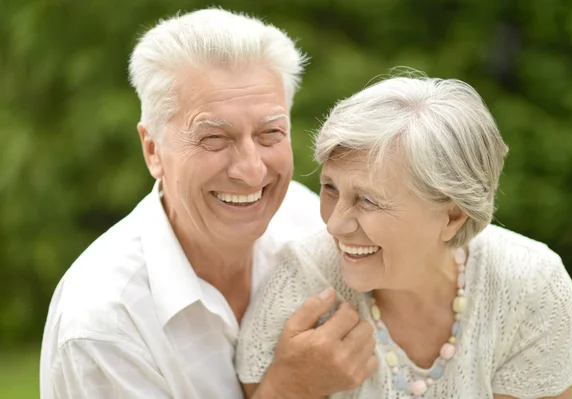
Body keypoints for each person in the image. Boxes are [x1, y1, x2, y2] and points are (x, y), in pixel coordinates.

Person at [40, 8, 378, 398]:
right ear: (153, 150)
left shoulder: (312, 222)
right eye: (214, 139)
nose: (251, 171)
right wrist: (289, 390)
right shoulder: (103, 325)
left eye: (270, 133)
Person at [236, 72, 572, 398]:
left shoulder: (530, 285)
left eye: (368, 200)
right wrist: (288, 388)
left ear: (452, 215)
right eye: (330, 187)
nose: (334, 225)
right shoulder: (300, 284)